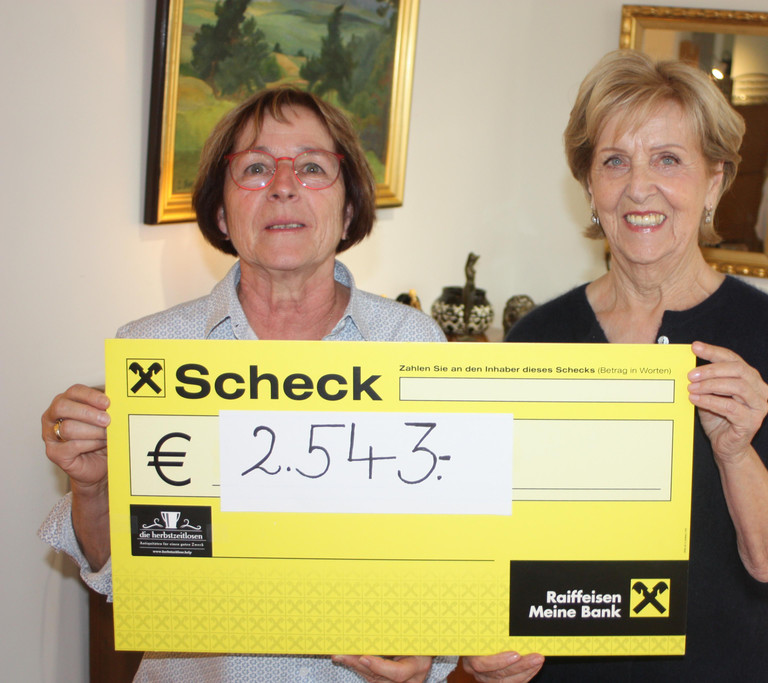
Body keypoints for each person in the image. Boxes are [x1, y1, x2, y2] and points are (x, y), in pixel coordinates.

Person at [39, 88, 456, 683]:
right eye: (256, 168)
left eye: (312, 167)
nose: (283, 185)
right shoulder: (153, 351)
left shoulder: (411, 344)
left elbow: (446, 552)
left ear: (348, 209)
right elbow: (121, 574)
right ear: (220, 213)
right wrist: (93, 489)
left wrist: (429, 656)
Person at [465, 50, 768, 682]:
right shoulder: (538, 339)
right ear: (590, 187)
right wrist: (479, 642)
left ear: (714, 181)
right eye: (615, 161)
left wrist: (736, 453)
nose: (639, 187)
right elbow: (489, 539)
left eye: (668, 159)